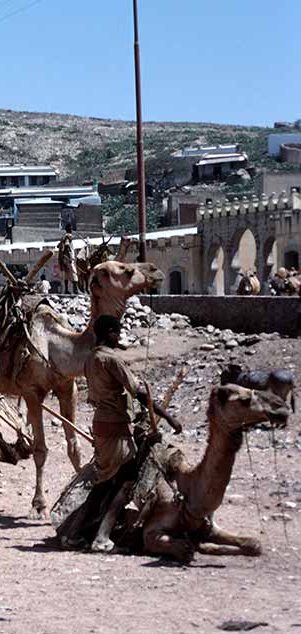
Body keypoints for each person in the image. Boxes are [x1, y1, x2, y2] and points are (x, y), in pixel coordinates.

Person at [65, 315, 181, 552]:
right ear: (109, 332)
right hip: (116, 427)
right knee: (126, 481)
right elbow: (138, 391)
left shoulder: (90, 360)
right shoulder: (111, 360)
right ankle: (102, 537)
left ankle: (75, 533)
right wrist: (169, 418)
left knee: (104, 482)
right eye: (117, 333)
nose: (119, 337)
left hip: (101, 425)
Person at [57, 228, 77, 295]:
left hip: (64, 259)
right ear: (70, 230)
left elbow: (58, 246)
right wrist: (70, 258)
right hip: (68, 258)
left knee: (66, 274)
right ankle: (75, 290)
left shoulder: (63, 237)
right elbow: (67, 245)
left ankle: (66, 290)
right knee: (74, 273)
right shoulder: (68, 237)